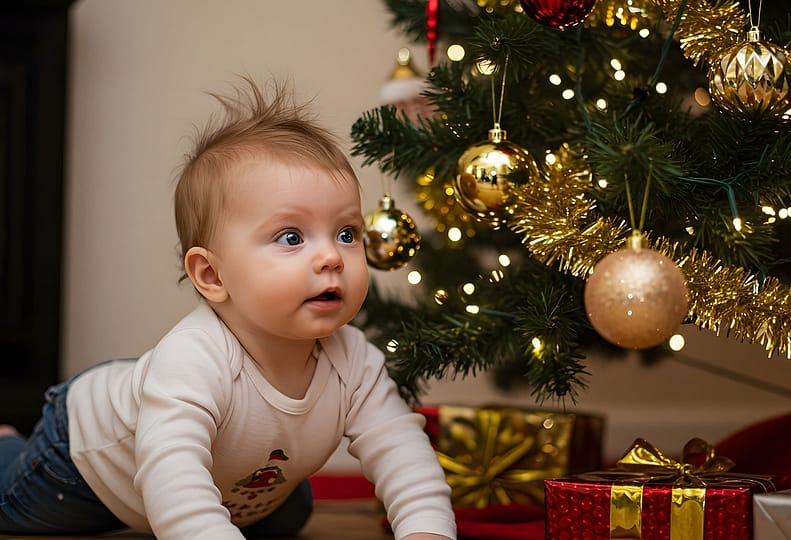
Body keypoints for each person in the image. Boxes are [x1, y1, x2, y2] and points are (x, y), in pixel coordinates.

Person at [0, 77, 456, 540]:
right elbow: (171, 477)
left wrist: (427, 531)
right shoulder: (194, 359)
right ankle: (6, 445)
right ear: (213, 276)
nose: (333, 257)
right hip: (85, 465)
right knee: (12, 507)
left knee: (289, 514)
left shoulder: (354, 360)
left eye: (346, 233)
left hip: (238, 482)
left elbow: (403, 452)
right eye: (292, 237)